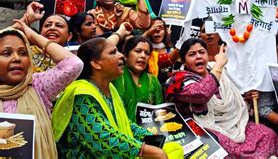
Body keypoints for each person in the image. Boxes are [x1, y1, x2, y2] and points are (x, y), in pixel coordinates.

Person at [52, 37, 182, 158]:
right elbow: (102, 139)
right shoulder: (81, 94)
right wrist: (143, 149)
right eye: (113, 52)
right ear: (96, 63)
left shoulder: (110, 88)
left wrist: (148, 137)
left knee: (173, 149)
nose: (121, 56)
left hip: (119, 150)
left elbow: (122, 122)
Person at [165, 38, 278, 158]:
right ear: (184, 61)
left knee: (267, 134)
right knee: (225, 148)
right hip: (204, 128)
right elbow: (202, 94)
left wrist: (247, 97)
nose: (198, 57)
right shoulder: (179, 80)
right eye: (192, 54)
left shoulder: (218, 70)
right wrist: (218, 67)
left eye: (202, 52)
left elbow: (232, 99)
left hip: (233, 123)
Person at [0, 22, 83, 158]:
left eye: (23, 53)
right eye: (7, 53)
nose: (17, 58)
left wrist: (32, 35)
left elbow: (74, 64)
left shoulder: (38, 86)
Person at [113, 36, 163, 123]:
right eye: (138, 51)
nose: (143, 56)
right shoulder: (116, 75)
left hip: (148, 132)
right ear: (125, 55)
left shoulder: (153, 80)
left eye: (147, 53)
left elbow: (160, 111)